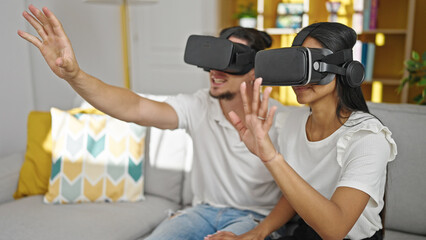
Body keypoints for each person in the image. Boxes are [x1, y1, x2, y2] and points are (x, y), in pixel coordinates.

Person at [18, 5, 286, 240]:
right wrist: (74, 75)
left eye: (230, 60)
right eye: (214, 58)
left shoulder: (281, 119)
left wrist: (258, 233)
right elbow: (135, 107)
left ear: (254, 69)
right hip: (202, 212)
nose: (215, 71)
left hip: (253, 217)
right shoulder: (198, 105)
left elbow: (297, 192)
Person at [206, 22, 397, 240]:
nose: (301, 78)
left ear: (346, 70)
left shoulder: (368, 137)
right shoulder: (291, 122)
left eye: (312, 65)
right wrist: (253, 235)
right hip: (304, 233)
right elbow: (293, 194)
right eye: (296, 64)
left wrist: (271, 158)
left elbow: (335, 230)